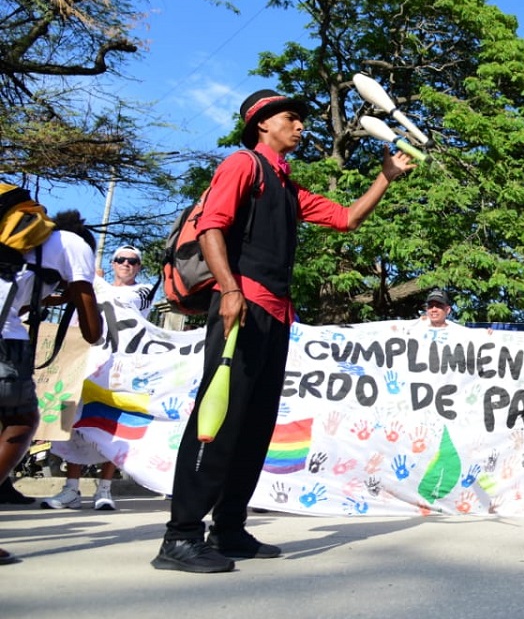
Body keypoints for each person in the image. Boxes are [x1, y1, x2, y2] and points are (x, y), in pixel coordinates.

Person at [152, 89, 415, 574]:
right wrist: (230, 290)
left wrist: (386, 176)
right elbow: (211, 227)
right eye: (291, 118)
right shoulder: (242, 164)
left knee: (254, 427)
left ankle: (228, 528)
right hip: (241, 308)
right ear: (262, 123)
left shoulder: (286, 185)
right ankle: (181, 535)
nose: (300, 126)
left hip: (275, 315)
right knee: (219, 423)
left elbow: (346, 218)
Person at [0, 209, 103, 564]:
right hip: (5, 340)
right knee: (22, 420)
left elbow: (18, 293)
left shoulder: (27, 246)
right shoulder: (76, 245)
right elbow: (92, 330)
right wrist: (80, 296)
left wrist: (55, 298)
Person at [43, 245, 155, 511]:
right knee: (74, 422)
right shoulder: (96, 286)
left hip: (120, 367)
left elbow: (122, 303)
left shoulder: (143, 292)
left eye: (132, 261)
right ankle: (71, 488)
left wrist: (93, 281)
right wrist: (92, 281)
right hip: (86, 362)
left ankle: (104, 489)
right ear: (113, 263)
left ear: (138, 266)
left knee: (113, 427)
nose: (126, 264)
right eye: (120, 259)